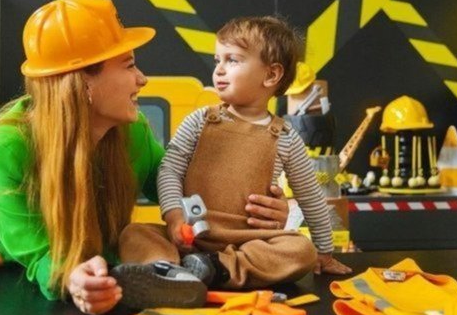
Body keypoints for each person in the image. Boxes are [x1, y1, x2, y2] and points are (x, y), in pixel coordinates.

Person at [0, 0, 289, 315]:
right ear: (83, 82)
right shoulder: (2, 149)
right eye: (129, 65)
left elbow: (186, 192)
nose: (142, 79)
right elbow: (38, 256)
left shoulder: (133, 133)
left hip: (98, 279)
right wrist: (72, 278)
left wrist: (258, 208)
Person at [118, 16, 352, 292]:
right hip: (190, 236)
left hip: (249, 243)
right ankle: (169, 270)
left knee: (301, 250)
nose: (219, 70)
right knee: (134, 233)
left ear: (271, 75)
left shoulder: (285, 138)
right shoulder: (199, 121)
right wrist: (173, 217)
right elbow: (170, 169)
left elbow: (310, 196)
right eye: (218, 60)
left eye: (232, 60)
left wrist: (323, 251)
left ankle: (217, 269)